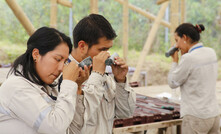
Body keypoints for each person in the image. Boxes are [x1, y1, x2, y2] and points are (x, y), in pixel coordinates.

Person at [0, 27, 85, 134]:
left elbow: (72, 130)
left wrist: (77, 88)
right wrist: (68, 84)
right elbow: (55, 128)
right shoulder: (16, 87)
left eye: (65, 62)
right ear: (36, 55)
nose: (61, 68)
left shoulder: (49, 87)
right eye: (57, 59)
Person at [65, 14, 136, 134]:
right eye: (102, 50)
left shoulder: (104, 77)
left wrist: (120, 81)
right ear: (82, 46)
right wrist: (97, 74)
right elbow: (78, 121)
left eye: (108, 49)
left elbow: (126, 113)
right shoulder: (64, 78)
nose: (107, 55)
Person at [168, 23, 220, 134]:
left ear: (185, 38)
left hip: (196, 118)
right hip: (213, 115)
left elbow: (173, 82)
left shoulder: (189, 58)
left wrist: (175, 61)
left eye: (177, 40)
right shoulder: (211, 52)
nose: (177, 45)